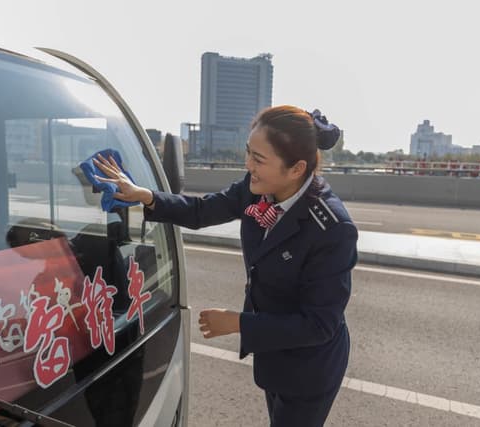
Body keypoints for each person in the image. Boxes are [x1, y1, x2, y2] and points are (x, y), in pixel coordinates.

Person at [94, 105, 358, 427]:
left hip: (309, 367)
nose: (248, 166)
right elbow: (201, 211)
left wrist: (238, 323)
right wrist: (146, 196)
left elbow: (319, 324)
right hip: (274, 353)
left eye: (259, 160)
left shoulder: (331, 228)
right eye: (249, 154)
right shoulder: (255, 187)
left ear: (296, 169)